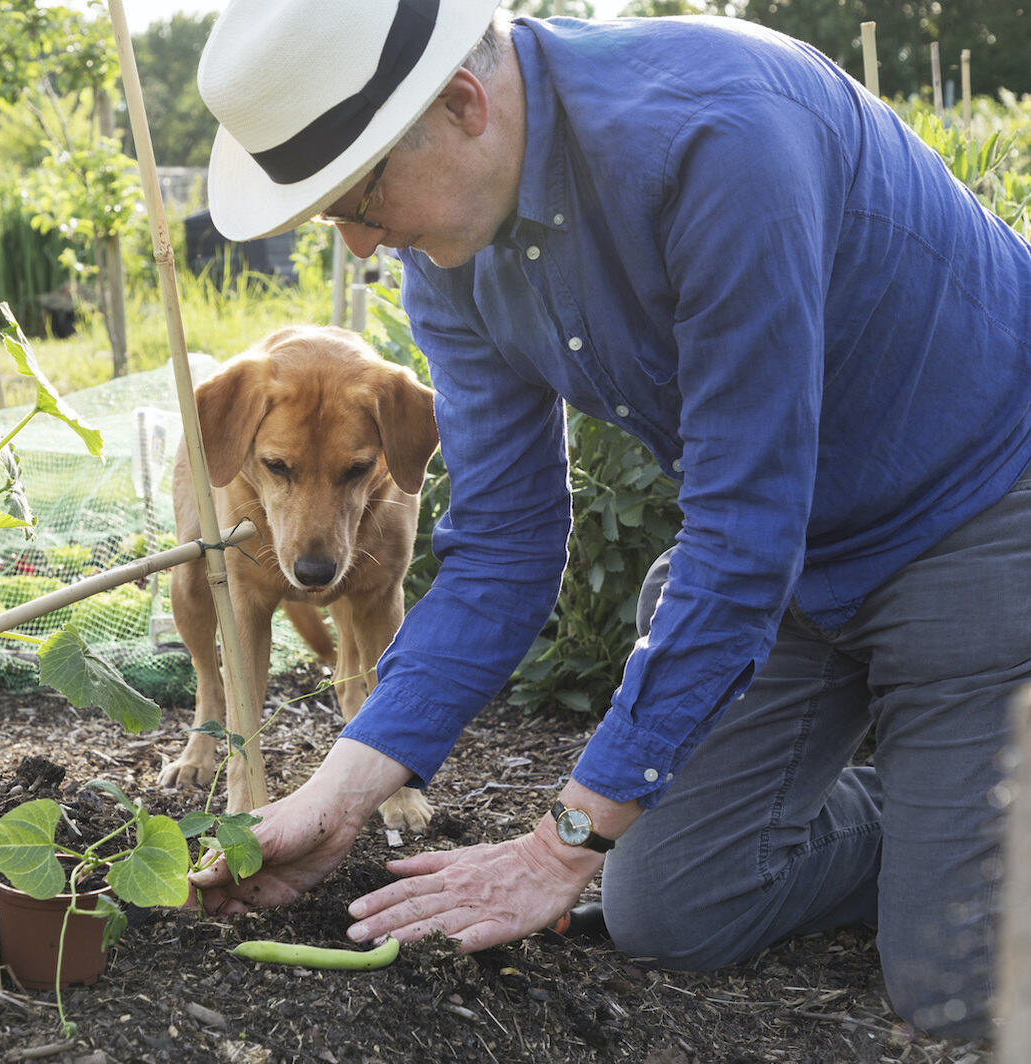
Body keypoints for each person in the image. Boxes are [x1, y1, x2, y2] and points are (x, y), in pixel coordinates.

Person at [189, 0, 1031, 1040]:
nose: (362, 241)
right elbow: (502, 541)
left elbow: (741, 532)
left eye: (361, 197)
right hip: (802, 561)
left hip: (980, 508)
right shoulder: (450, 251)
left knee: (955, 980)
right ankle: (940, 808)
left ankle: (973, 806)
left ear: (462, 104)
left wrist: (558, 843)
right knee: (672, 907)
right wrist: (342, 787)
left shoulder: (719, 138)